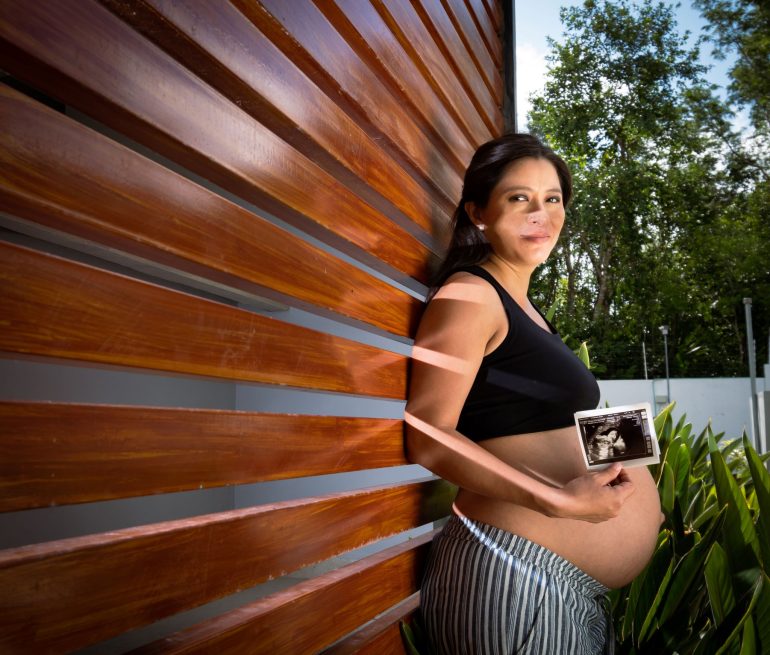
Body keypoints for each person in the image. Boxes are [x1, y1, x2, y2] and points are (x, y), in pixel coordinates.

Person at [405, 133, 662, 654]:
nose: (540, 214)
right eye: (519, 197)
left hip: (561, 587)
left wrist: (632, 464)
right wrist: (558, 502)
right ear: (478, 212)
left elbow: (532, 416)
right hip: (515, 574)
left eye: (552, 198)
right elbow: (428, 433)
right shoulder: (470, 295)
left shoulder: (524, 306)